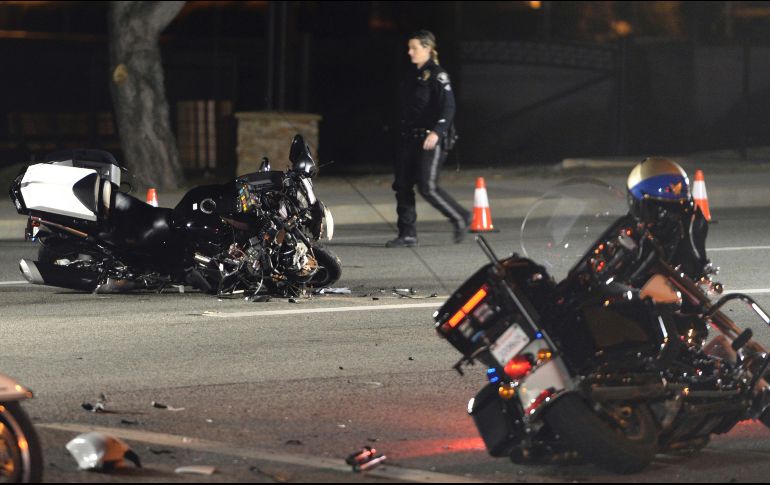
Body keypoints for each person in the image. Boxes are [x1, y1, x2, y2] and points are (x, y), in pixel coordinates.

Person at [386, 30, 471, 248]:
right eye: (409, 48)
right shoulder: (411, 75)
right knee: (402, 186)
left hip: (430, 139)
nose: (410, 52)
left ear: (427, 48)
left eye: (414, 48)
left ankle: (460, 217)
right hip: (408, 138)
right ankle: (407, 234)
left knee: (427, 187)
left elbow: (449, 106)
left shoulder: (438, 74)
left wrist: (437, 132)